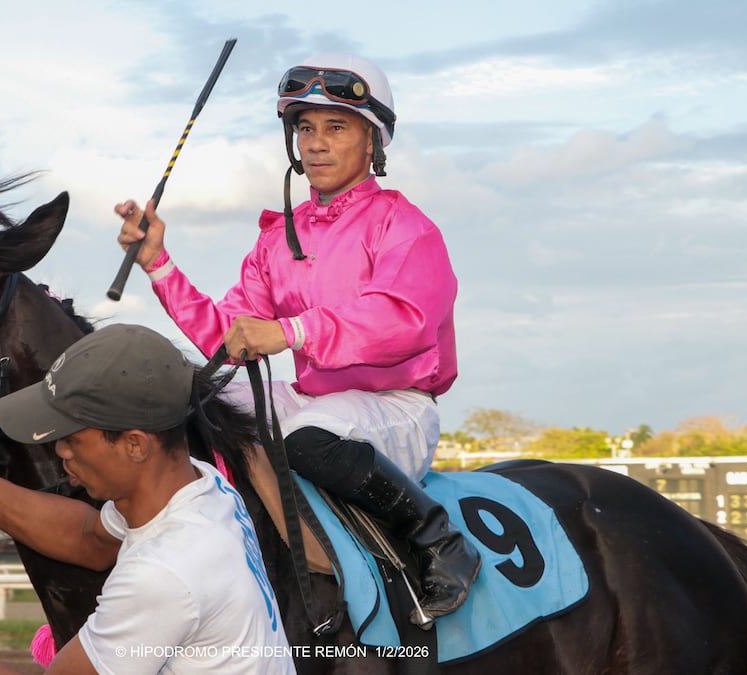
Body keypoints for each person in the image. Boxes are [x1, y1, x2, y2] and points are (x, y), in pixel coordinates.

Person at [115, 54, 480, 622]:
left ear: (372, 142)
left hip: (395, 408)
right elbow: (228, 339)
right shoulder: (276, 239)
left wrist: (291, 332)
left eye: (336, 128)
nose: (316, 143)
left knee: (308, 438)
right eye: (305, 128)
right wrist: (159, 265)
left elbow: (403, 323)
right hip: (316, 403)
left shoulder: (406, 228)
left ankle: (436, 539)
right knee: (188, 406)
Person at [0, 323, 296, 674]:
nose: (59, 451)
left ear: (135, 444)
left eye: (71, 438)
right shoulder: (200, 485)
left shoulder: (165, 572)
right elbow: (90, 536)